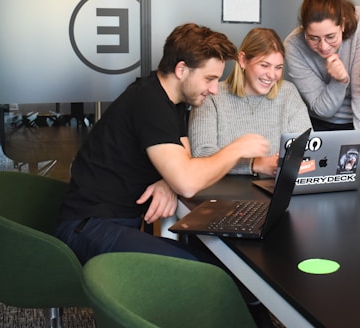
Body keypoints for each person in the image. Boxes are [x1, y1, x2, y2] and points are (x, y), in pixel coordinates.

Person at [54, 23, 270, 264]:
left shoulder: (171, 101)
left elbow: (184, 160)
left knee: (216, 261)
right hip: (88, 228)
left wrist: (169, 180)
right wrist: (237, 149)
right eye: (209, 78)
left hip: (113, 224)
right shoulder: (149, 102)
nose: (213, 89)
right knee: (209, 269)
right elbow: (188, 183)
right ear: (181, 69)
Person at [284, 0, 360, 164]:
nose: (323, 46)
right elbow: (322, 108)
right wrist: (339, 81)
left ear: (343, 24)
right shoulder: (293, 46)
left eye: (330, 37)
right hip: (318, 125)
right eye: (313, 38)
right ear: (304, 30)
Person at [189, 27, 311, 176]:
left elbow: (308, 148)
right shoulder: (211, 96)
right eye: (264, 65)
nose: (272, 75)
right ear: (242, 60)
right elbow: (202, 155)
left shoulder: (288, 93)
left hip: (274, 188)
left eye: (278, 67)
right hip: (223, 190)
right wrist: (254, 164)